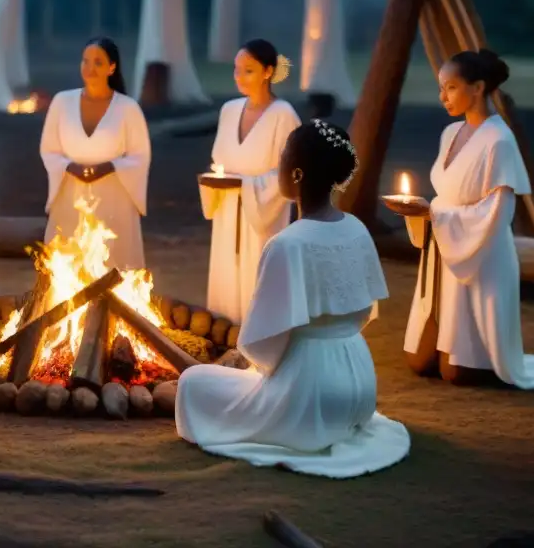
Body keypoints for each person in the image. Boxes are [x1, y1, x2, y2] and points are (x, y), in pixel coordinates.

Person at [175, 120, 410, 479]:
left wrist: (277, 366)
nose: (278, 161)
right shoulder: (357, 229)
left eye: (283, 154)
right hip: (360, 384)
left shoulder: (287, 244)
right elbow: (364, 311)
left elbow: (262, 346)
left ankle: (287, 420)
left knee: (193, 383)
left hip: (309, 393)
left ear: (296, 173)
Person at [403, 49, 534, 389]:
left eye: (451, 87)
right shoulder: (450, 135)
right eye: (441, 87)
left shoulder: (499, 140)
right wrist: (421, 211)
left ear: (477, 88)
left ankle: (485, 356)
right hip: (446, 249)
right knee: (420, 362)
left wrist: (436, 213)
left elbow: (498, 213)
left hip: (481, 254)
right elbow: (447, 195)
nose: (442, 96)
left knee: (456, 373)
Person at [200, 39, 301, 324]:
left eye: (248, 70)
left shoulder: (284, 115)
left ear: (268, 72)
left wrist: (247, 186)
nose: (239, 76)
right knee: (227, 276)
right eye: (236, 69)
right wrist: (216, 181)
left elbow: (290, 171)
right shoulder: (229, 110)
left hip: (262, 217)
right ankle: (224, 332)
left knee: (256, 275)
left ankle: (262, 334)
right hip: (227, 213)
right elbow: (220, 160)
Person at [40, 38, 151, 269]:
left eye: (98, 62)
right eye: (86, 61)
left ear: (112, 67)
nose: (90, 69)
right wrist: (69, 167)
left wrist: (110, 167)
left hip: (114, 198)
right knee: (68, 263)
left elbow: (140, 156)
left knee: (111, 263)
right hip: (70, 195)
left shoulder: (128, 108)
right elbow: (49, 149)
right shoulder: (62, 102)